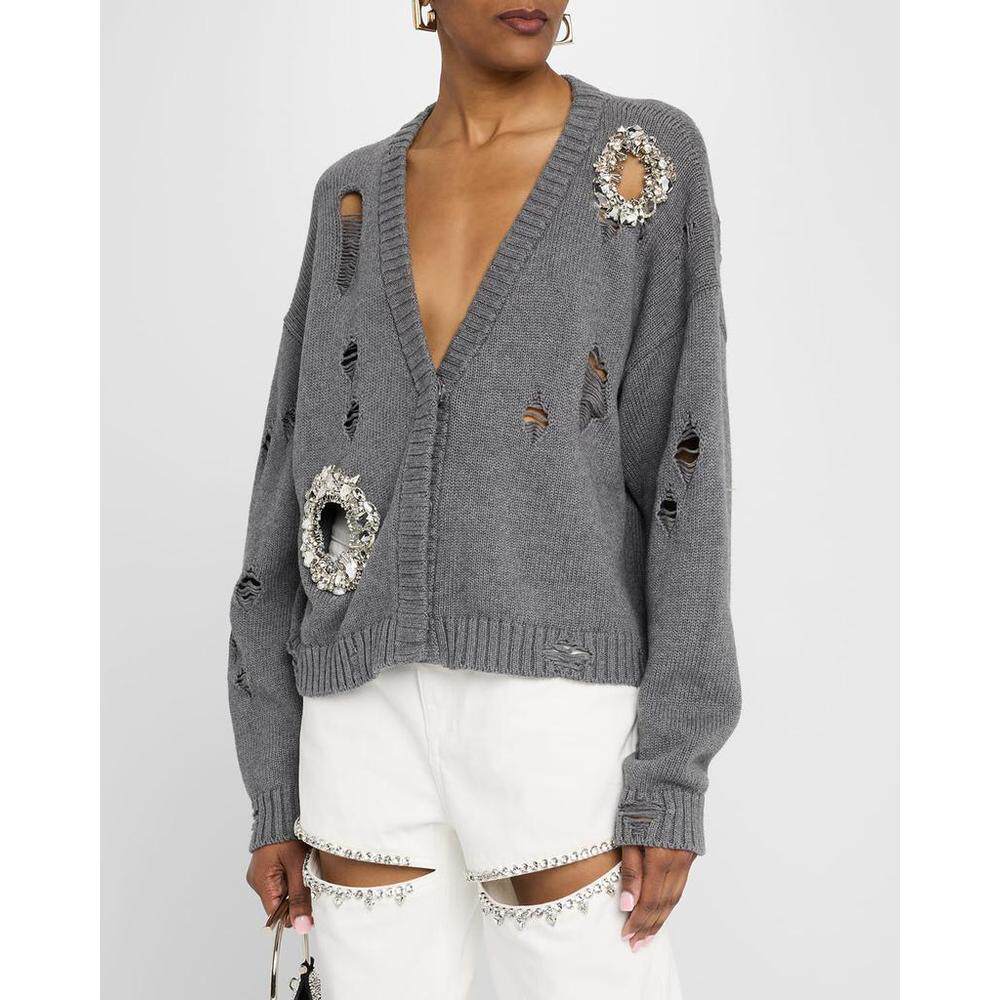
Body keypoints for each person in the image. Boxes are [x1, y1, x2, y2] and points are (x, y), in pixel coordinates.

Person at [228, 2, 740, 996]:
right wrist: (273, 783)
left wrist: (673, 770)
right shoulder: (349, 199)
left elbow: (687, 466)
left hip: (554, 707)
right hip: (358, 716)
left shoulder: (644, 162)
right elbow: (288, 468)